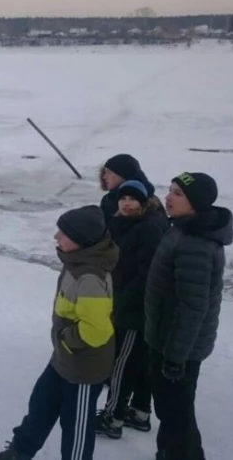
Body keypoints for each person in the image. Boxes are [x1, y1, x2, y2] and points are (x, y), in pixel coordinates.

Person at [0, 205, 118, 460]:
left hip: (83, 368)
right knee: (41, 406)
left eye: (63, 233)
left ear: (81, 240)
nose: (56, 237)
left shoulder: (89, 277)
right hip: (63, 359)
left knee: (75, 425)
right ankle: (19, 453)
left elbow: (98, 331)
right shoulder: (77, 260)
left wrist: (67, 340)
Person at [145, 172, 233, 460]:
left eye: (178, 193)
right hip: (168, 339)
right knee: (173, 412)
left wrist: (175, 357)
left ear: (196, 203)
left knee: (176, 414)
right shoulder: (182, 229)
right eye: (169, 190)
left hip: (178, 347)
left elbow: (193, 308)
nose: (168, 197)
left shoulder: (195, 243)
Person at [96, 180, 168, 439]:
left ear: (144, 202)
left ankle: (112, 418)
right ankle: (139, 413)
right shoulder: (122, 222)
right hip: (124, 302)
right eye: (122, 198)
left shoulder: (147, 228)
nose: (126, 203)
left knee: (122, 364)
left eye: (132, 199)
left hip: (133, 310)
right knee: (136, 363)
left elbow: (148, 273)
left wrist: (123, 300)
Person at [98, 154, 161, 224]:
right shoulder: (108, 199)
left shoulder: (150, 202)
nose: (104, 177)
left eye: (109, 173)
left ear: (123, 175)